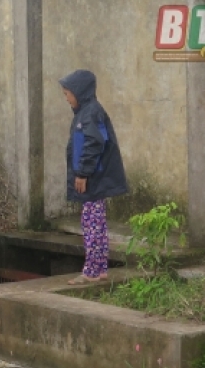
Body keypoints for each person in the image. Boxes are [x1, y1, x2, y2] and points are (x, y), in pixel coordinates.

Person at [58, 69, 129, 285]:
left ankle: (91, 271)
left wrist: (82, 173)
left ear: (79, 92)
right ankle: (100, 269)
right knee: (95, 224)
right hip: (93, 177)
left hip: (93, 179)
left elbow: (94, 143)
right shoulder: (86, 112)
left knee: (92, 225)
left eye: (67, 93)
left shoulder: (90, 112)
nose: (66, 97)